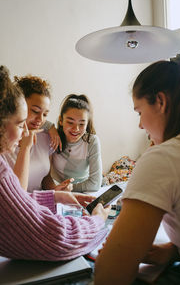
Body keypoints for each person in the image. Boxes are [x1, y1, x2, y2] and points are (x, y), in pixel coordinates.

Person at [94, 51, 180, 285]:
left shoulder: (165, 157)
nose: (140, 125)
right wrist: (174, 250)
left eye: (140, 112)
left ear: (160, 102)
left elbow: (110, 276)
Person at [0, 65, 110, 261]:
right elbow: (56, 239)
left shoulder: (47, 137)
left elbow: (15, 200)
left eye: (45, 114)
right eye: (20, 122)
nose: (38, 121)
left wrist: (57, 196)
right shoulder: (7, 156)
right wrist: (97, 221)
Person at [3, 75, 72, 192]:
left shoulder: (46, 137)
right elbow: (16, 196)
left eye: (45, 114)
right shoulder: (5, 142)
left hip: (39, 206)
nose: (40, 119)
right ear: (19, 106)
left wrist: (56, 190)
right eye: (35, 111)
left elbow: (45, 177)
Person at [50, 94, 102, 192]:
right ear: (61, 120)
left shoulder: (91, 141)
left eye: (82, 124)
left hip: (84, 190)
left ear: (87, 124)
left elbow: (95, 184)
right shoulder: (54, 137)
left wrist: (69, 188)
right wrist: (50, 127)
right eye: (70, 122)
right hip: (57, 189)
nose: (76, 129)